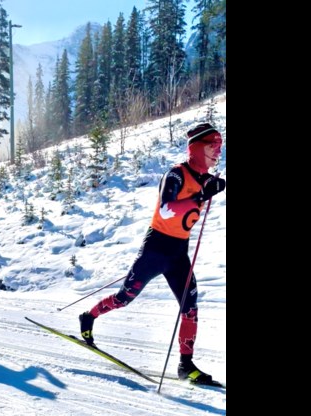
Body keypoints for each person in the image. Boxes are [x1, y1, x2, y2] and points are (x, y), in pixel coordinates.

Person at [78, 123, 226, 385]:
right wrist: (201, 194)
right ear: (196, 148)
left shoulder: (205, 179)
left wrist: (210, 187)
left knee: (190, 307)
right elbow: (167, 209)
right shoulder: (176, 175)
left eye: (220, 146)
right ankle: (88, 317)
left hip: (179, 252)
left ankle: (186, 365)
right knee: (125, 297)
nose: (218, 151)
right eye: (212, 146)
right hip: (156, 248)